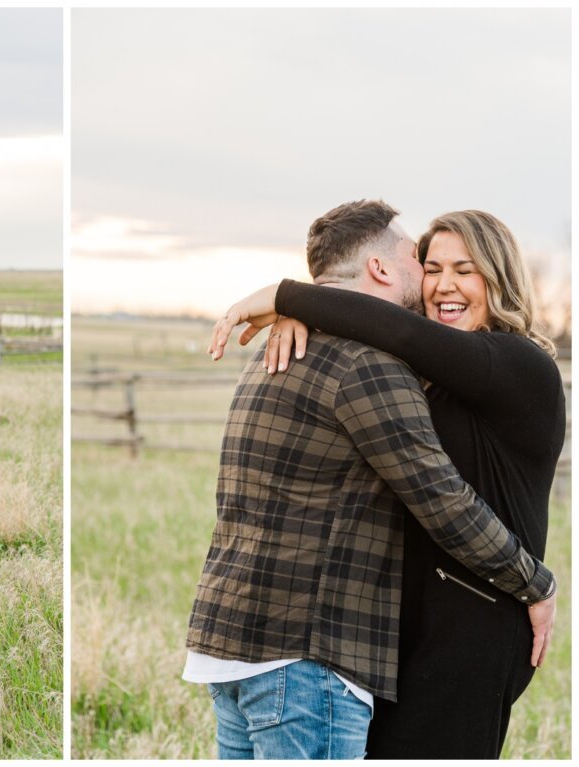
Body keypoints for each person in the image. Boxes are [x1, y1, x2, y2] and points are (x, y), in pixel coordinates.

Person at [184, 200, 557, 760]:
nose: (441, 284)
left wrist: (291, 297)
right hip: (384, 638)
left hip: (471, 626)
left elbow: (405, 341)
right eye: (431, 267)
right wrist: (313, 315)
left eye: (465, 270)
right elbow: (392, 335)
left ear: (499, 277)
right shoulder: (416, 374)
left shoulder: (519, 365)